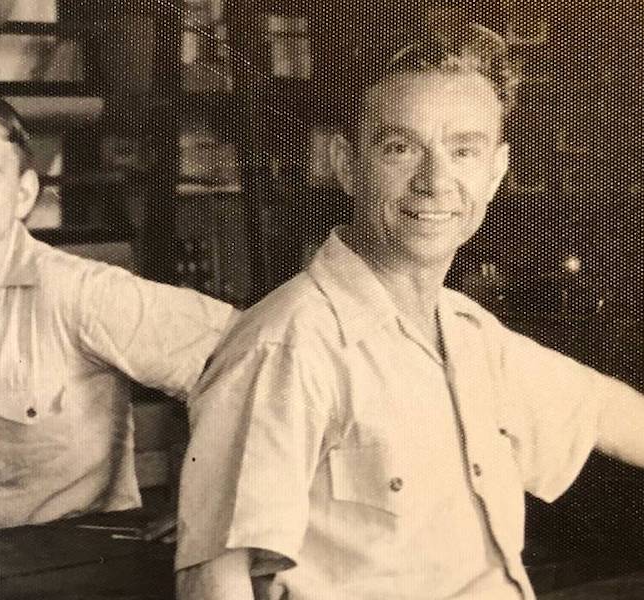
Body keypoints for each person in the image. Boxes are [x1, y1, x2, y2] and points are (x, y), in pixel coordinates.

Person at [174, 22, 644, 600]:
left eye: (463, 151)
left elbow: (602, 411)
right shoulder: (288, 346)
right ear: (344, 163)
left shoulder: (466, 332)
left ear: (495, 173)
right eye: (400, 148)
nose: (435, 182)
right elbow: (215, 579)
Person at [0, 82, 239, 536]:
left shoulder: (77, 292)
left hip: (73, 565)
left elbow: (254, 351)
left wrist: (214, 501)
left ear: (24, 193)